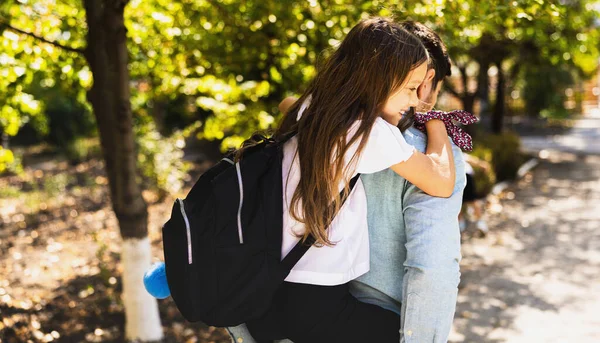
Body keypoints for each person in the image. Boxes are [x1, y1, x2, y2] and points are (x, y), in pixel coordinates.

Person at [227, 20, 469, 343]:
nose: (414, 102)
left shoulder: (316, 112)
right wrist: (436, 121)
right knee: (390, 332)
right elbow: (440, 184)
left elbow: (288, 104)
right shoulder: (370, 132)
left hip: (273, 291)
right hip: (315, 303)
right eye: (410, 90)